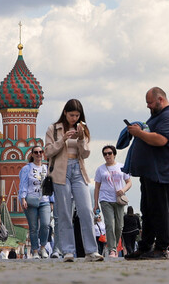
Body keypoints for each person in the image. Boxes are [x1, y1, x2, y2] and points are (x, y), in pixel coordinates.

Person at [124, 87, 169, 260]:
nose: (148, 106)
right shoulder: (157, 116)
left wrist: (139, 133)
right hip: (150, 173)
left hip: (161, 173)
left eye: (150, 103)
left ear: (160, 100)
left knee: (160, 211)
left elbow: (161, 139)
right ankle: (145, 246)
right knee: (147, 211)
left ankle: (162, 247)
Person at [45, 99, 101, 262]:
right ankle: (68, 251)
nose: (74, 118)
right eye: (71, 115)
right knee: (64, 212)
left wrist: (82, 138)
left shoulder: (82, 128)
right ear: (65, 113)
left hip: (78, 170)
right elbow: (48, 152)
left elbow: (86, 154)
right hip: (61, 172)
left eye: (77, 115)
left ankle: (91, 251)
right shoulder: (54, 128)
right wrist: (63, 140)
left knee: (86, 211)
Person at [94, 144, 133, 257]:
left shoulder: (122, 167)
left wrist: (123, 189)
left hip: (119, 199)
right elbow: (97, 187)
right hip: (105, 199)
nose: (107, 156)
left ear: (114, 154)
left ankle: (114, 246)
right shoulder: (100, 169)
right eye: (105, 154)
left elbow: (129, 182)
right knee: (110, 224)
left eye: (109, 153)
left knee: (119, 226)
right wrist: (96, 203)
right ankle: (112, 249)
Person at [18, 145, 51, 258]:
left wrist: (51, 201)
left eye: (40, 152)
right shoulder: (27, 168)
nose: (38, 154)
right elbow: (23, 184)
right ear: (32, 154)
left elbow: (50, 185)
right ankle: (35, 250)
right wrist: (23, 198)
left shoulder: (46, 168)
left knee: (46, 224)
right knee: (33, 228)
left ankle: (43, 247)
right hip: (31, 200)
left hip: (44, 200)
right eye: (36, 152)